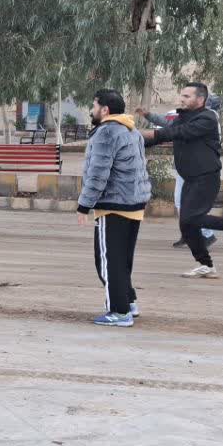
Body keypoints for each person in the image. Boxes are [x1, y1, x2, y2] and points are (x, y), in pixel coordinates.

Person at [140, 82, 223, 279]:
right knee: (186, 225)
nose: (182, 99)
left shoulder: (207, 118)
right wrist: (133, 139)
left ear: (200, 99)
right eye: (182, 95)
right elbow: (160, 137)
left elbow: (175, 133)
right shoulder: (183, 118)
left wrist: (139, 132)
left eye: (187, 96)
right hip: (190, 179)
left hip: (206, 177)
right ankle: (206, 265)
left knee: (192, 219)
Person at [77, 90, 151, 327]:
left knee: (107, 262)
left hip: (114, 205)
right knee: (121, 260)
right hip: (134, 204)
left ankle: (119, 312)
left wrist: (84, 205)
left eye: (94, 106)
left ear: (104, 109)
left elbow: (98, 173)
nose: (92, 110)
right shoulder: (132, 131)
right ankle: (128, 302)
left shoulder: (106, 132)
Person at [137, 109, 216, 249]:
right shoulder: (185, 119)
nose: (183, 103)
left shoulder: (203, 120)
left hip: (197, 169)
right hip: (184, 168)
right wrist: (148, 115)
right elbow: (167, 124)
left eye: (186, 99)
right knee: (181, 202)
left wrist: (145, 132)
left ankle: (207, 234)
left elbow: (170, 129)